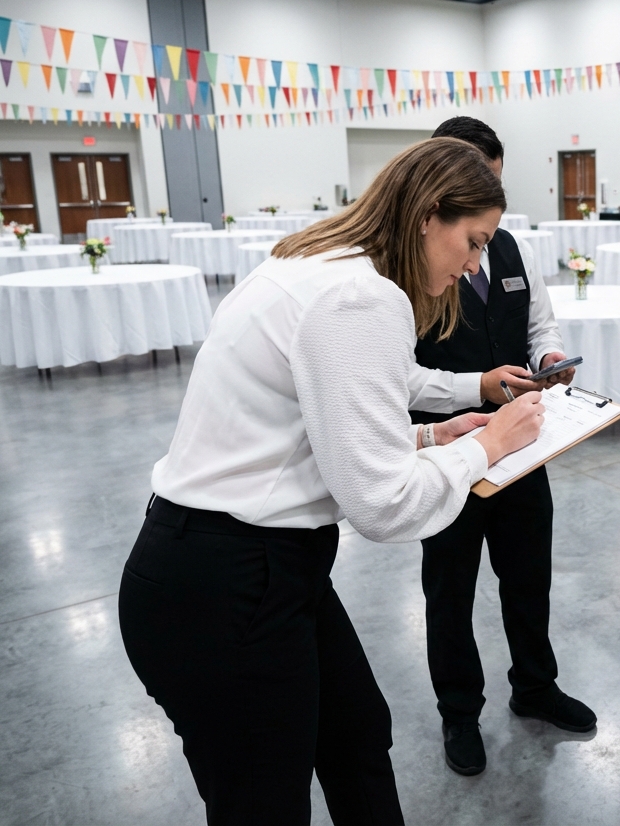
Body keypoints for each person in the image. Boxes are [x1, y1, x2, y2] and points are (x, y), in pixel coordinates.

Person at [118, 138, 545, 825]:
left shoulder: (318, 263)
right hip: (227, 580)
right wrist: (489, 445)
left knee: (355, 737)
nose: (474, 263)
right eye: (473, 241)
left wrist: (433, 434)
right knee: (265, 800)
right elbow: (381, 503)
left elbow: (317, 427)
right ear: (429, 213)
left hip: (248, 565)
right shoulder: (358, 296)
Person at [408, 116, 594, 778]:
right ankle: (459, 711)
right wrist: (474, 385)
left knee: (528, 576)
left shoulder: (512, 249)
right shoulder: (411, 265)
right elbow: (400, 373)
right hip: (451, 453)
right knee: (449, 591)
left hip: (521, 449)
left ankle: (534, 686)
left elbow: (538, 317)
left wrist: (547, 352)